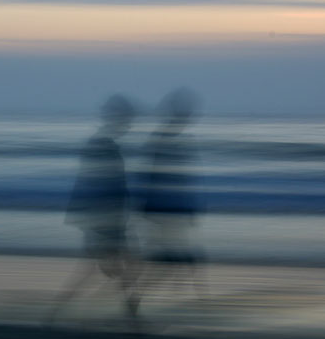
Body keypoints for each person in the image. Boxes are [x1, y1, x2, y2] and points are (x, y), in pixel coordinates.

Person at [47, 94, 139, 325]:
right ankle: (131, 320)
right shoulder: (102, 145)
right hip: (106, 221)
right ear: (116, 118)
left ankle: (55, 316)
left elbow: (94, 186)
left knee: (105, 269)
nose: (129, 124)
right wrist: (100, 227)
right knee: (122, 267)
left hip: (107, 220)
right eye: (127, 118)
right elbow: (96, 187)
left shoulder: (102, 144)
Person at [136, 87, 206, 302]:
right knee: (177, 260)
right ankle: (137, 301)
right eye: (186, 112)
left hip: (171, 212)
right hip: (165, 213)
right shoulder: (165, 140)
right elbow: (155, 177)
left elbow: (175, 179)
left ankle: (188, 300)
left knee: (178, 260)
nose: (189, 117)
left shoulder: (171, 139)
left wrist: (189, 208)